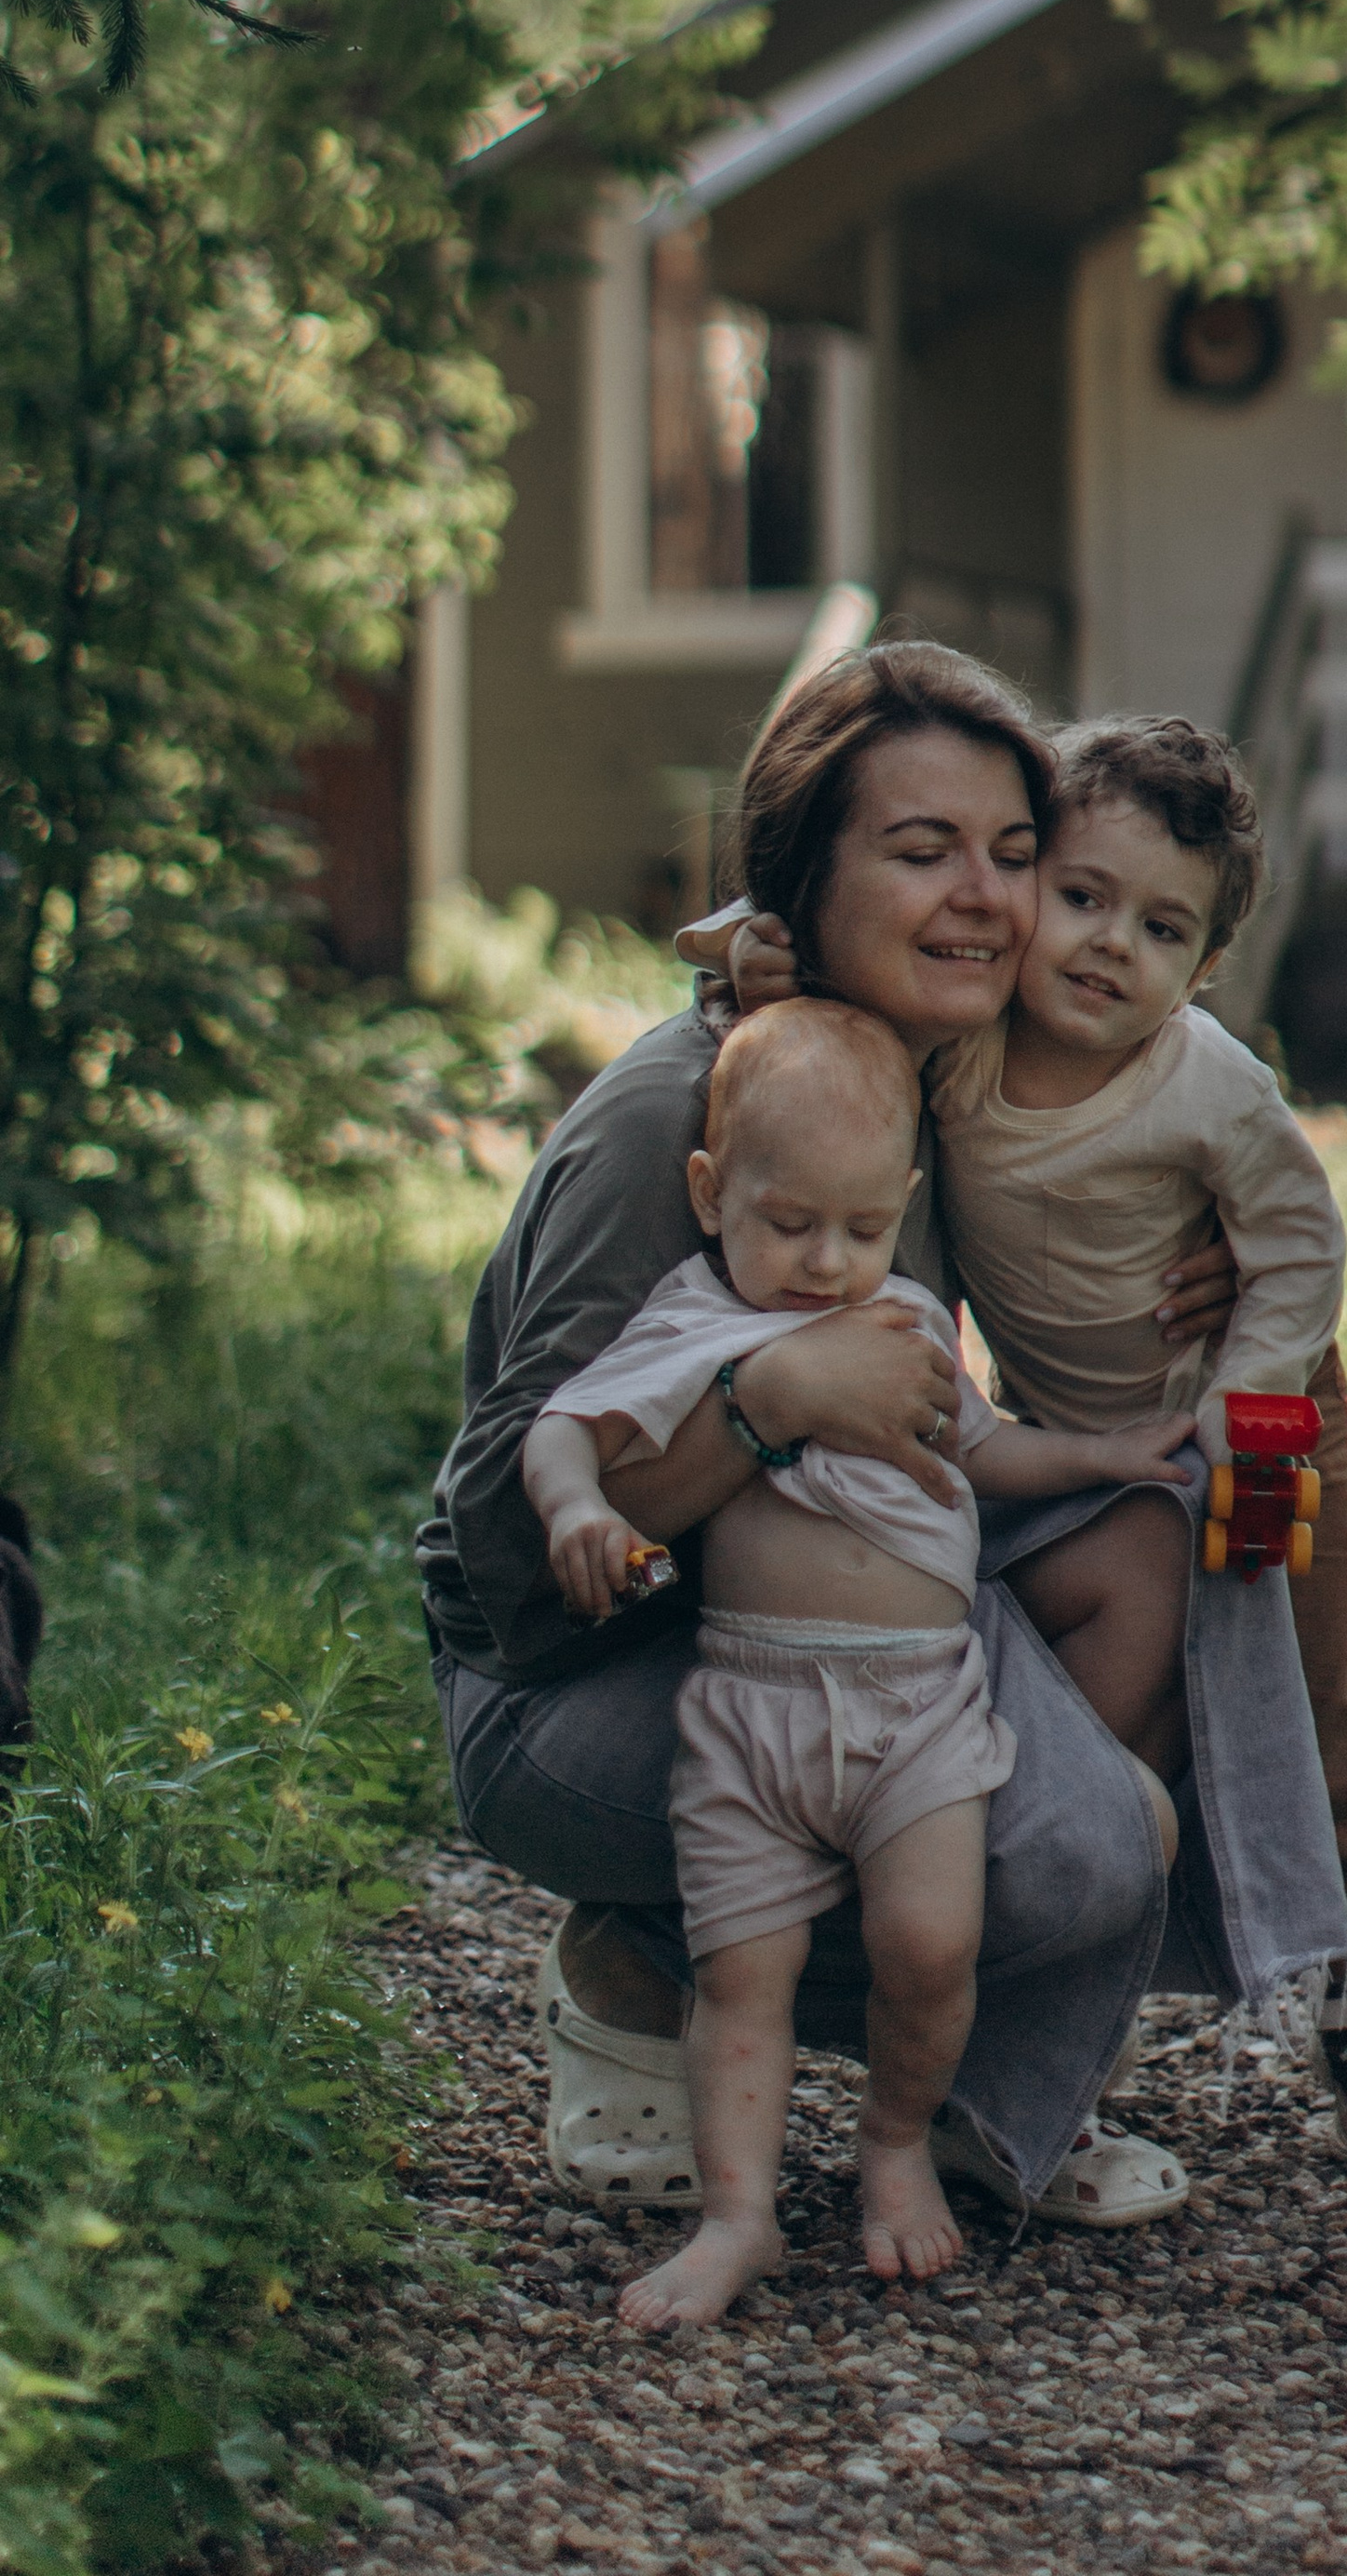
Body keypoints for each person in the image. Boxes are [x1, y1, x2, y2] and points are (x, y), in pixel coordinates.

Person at [419, 643, 1222, 2227]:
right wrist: (764, 1408)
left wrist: (1215, 1236)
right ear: (800, 883)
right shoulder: (682, 1121)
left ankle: (990, 2075)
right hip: (577, 1685)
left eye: (1011, 856)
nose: (984, 898)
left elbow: (1157, 1025)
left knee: (1128, 1634)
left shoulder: (937, 1077)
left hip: (829, 1617)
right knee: (1032, 1855)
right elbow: (505, 1560)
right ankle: (638, 1964)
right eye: (920, 854)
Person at [700, 712, 1347, 2164]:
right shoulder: (966, 1042)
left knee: (1318, 1681)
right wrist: (749, 955)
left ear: (1207, 968)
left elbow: (1298, 1240)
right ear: (1031, 883)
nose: (1110, 945)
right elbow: (837, 987)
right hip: (1075, 1429)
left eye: (1162, 927)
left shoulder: (1204, 1083)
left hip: (1266, 1403)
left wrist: (1254, 1395)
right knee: (1102, 1687)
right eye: (1084, 897)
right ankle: (1049, 1984)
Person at [524, 998, 1197, 2317]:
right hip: (752, 1709)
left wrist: (1101, 1454)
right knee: (744, 1978)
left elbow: (983, 1455)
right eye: (789, 1225)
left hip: (920, 1708)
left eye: (863, 1227)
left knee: (933, 1941)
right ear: (712, 1194)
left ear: (902, 1205)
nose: (827, 1262)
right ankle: (738, 2218)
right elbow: (564, 1426)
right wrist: (581, 1512)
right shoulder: (694, 1318)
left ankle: (896, 2139)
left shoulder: (902, 1318)